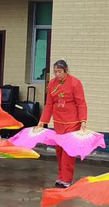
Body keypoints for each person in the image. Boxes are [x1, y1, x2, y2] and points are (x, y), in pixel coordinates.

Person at [35, 59, 87, 188]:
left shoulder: (75, 83)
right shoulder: (52, 84)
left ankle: (67, 179)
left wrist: (83, 121)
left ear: (66, 71)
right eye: (55, 72)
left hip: (72, 122)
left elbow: (81, 103)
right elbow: (49, 104)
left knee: (68, 151)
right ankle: (61, 177)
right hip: (58, 122)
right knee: (59, 150)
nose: (57, 74)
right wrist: (42, 121)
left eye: (60, 71)